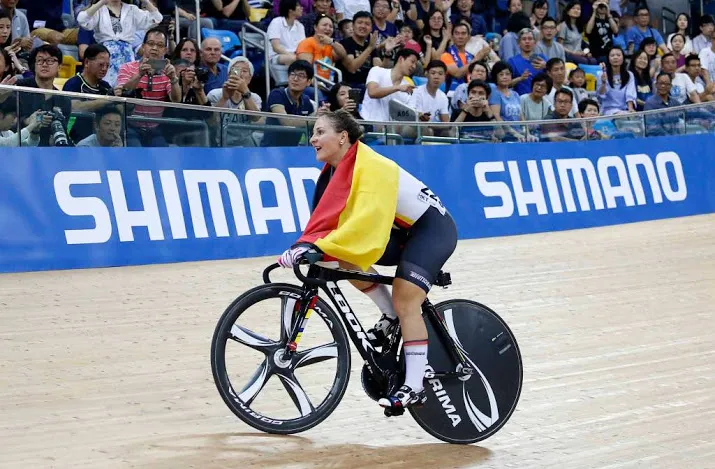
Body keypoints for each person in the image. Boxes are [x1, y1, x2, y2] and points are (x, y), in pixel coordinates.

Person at [277, 108, 458, 411]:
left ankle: (414, 387)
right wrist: (305, 245)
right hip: (397, 231)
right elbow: (325, 224)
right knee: (342, 257)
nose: (313, 139)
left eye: (320, 132)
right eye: (313, 133)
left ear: (343, 137)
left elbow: (363, 225)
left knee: (406, 299)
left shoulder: (371, 166)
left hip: (430, 230)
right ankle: (390, 316)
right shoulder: (334, 172)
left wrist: (318, 245)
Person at [116, 28, 181, 147]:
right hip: (129, 126)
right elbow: (122, 93)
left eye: (160, 45)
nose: (155, 48)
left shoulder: (167, 71)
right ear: (143, 46)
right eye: (151, 44)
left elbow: (176, 99)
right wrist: (139, 75)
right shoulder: (127, 67)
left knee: (162, 157)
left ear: (165, 50)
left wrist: (173, 79)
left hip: (155, 128)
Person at [77, 0, 163, 87]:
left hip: (127, 56)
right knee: (108, 88)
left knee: (128, 88)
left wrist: (144, 1)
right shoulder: (100, 10)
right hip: (106, 56)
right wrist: (102, 2)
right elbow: (82, 20)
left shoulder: (132, 9)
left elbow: (157, 18)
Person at [16, 45, 73, 147]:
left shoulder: (64, 99)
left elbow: (62, 130)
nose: (45, 64)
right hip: (20, 147)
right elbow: (6, 123)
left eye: (50, 61)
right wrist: (27, 121)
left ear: (59, 67)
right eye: (40, 60)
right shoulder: (19, 87)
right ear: (35, 65)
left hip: (49, 151)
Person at [208, 56, 263, 147]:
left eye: (244, 71)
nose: (240, 75)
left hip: (245, 146)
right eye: (236, 70)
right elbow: (212, 122)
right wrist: (224, 98)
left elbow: (255, 118)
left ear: (250, 78)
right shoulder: (215, 94)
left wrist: (245, 92)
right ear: (229, 75)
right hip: (220, 145)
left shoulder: (254, 98)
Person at [263, 60, 317, 147]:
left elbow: (313, 126)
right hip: (271, 150)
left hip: (293, 151)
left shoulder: (306, 101)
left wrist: (321, 114)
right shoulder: (277, 94)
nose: (295, 79)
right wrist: (314, 119)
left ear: (309, 82)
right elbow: (286, 122)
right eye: (292, 74)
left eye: (301, 76)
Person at [361, 48, 418, 122]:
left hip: (391, 129)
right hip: (369, 123)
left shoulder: (408, 88)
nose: (414, 66)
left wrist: (418, 115)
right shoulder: (377, 71)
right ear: (401, 59)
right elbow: (372, 92)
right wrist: (398, 88)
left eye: (415, 64)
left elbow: (405, 115)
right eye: (412, 62)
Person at [337, 12, 381, 91]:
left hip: (368, 86)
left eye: (367, 24)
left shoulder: (371, 45)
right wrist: (370, 48)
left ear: (371, 28)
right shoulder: (345, 43)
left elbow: (379, 70)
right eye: (360, 23)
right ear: (353, 26)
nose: (363, 26)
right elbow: (352, 68)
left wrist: (388, 53)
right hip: (349, 87)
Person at [442, 23, 491, 90]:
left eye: (463, 33)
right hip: (452, 94)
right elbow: (457, 74)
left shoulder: (470, 56)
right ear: (452, 36)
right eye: (457, 33)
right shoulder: (446, 55)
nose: (460, 36)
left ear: (468, 37)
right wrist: (478, 58)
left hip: (470, 92)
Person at [408, 60, 450, 135]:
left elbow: (446, 122)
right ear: (426, 74)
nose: (436, 77)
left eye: (440, 74)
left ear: (444, 77)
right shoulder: (417, 91)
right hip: (414, 127)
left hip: (432, 127)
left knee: (449, 132)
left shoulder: (443, 97)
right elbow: (417, 118)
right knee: (428, 131)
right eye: (433, 73)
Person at [597, 46, 636, 114]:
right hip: (608, 110)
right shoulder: (601, 74)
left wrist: (631, 109)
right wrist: (603, 83)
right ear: (608, 59)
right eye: (612, 55)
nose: (615, 57)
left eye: (618, 55)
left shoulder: (629, 75)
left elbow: (630, 93)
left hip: (625, 110)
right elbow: (601, 97)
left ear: (623, 58)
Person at [267, 0, 307, 67]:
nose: (301, 8)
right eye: (298, 6)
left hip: (295, 56)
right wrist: (292, 56)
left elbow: (303, 46)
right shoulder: (276, 22)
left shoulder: (300, 25)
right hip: (277, 56)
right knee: (293, 59)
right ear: (290, 10)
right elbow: (276, 47)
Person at [508, 28, 547, 95]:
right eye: (524, 39)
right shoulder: (512, 61)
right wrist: (520, 78)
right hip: (521, 99)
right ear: (519, 43)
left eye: (530, 39)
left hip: (541, 97)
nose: (527, 41)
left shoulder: (542, 58)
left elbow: (554, 77)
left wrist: (546, 66)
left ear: (535, 43)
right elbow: (507, 84)